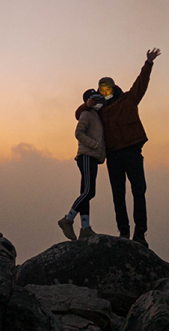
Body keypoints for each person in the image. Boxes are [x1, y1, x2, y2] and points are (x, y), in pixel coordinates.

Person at [76, 48, 161, 248]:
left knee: (139, 190)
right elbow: (79, 114)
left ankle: (139, 233)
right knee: (118, 195)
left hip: (132, 151)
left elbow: (142, 83)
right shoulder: (100, 110)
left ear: (114, 87)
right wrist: (87, 104)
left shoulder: (128, 100)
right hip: (114, 155)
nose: (106, 92)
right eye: (101, 89)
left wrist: (148, 63)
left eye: (108, 88)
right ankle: (124, 232)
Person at [58, 89, 106, 241]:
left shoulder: (97, 115)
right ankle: (68, 220)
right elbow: (78, 133)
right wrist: (93, 145)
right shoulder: (86, 114)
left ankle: (85, 228)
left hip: (92, 156)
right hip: (86, 155)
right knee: (89, 191)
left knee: (86, 192)